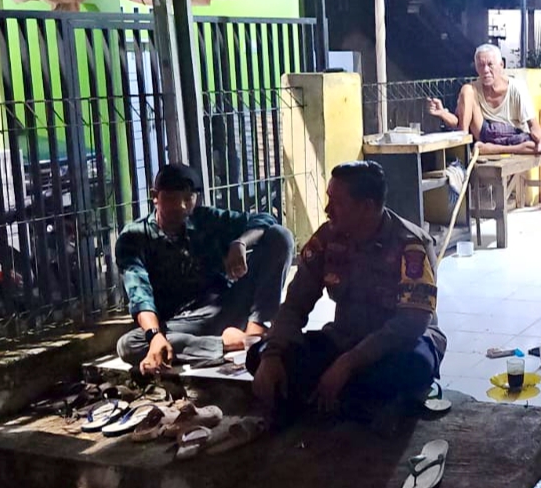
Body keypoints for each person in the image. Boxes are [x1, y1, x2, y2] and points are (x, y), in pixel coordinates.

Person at [248, 160, 447, 427]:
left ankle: (345, 397)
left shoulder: (411, 244)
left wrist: (349, 363)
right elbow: (295, 303)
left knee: (414, 367)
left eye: (337, 202)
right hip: (343, 339)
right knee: (259, 356)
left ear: (367, 207)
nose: (327, 209)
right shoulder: (327, 238)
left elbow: (411, 323)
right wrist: (272, 353)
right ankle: (359, 402)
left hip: (397, 346)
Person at [115, 163, 294, 375]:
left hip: (226, 305)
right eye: (172, 198)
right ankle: (230, 343)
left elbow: (265, 219)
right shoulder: (133, 237)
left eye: (188, 198)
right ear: (155, 197)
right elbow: (139, 294)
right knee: (128, 345)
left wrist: (241, 242)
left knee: (280, 236)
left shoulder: (205, 219)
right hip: (182, 322)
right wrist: (154, 336)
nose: (181, 206)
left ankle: (256, 329)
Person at [427, 43, 541, 155]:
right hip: (486, 134)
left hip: (512, 136)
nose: (485, 70)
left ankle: (490, 149)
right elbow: (461, 124)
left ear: (501, 65)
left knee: (539, 146)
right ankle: (464, 150)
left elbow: (533, 125)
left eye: (490, 65)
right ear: (476, 68)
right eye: (481, 65)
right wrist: (442, 113)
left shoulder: (517, 88)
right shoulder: (472, 90)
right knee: (466, 89)